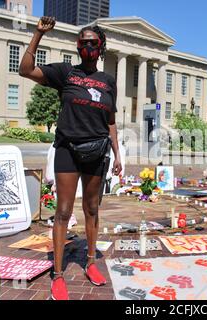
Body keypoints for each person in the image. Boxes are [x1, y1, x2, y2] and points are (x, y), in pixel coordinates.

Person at [19, 16, 122, 300]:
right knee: (63, 211)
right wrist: (38, 35)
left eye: (93, 42)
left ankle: (90, 262)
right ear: (77, 47)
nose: (88, 46)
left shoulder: (108, 82)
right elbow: (25, 69)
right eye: (83, 42)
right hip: (68, 149)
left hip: (96, 151)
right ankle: (59, 274)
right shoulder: (66, 73)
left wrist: (117, 153)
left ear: (101, 47)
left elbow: (111, 121)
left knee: (91, 209)